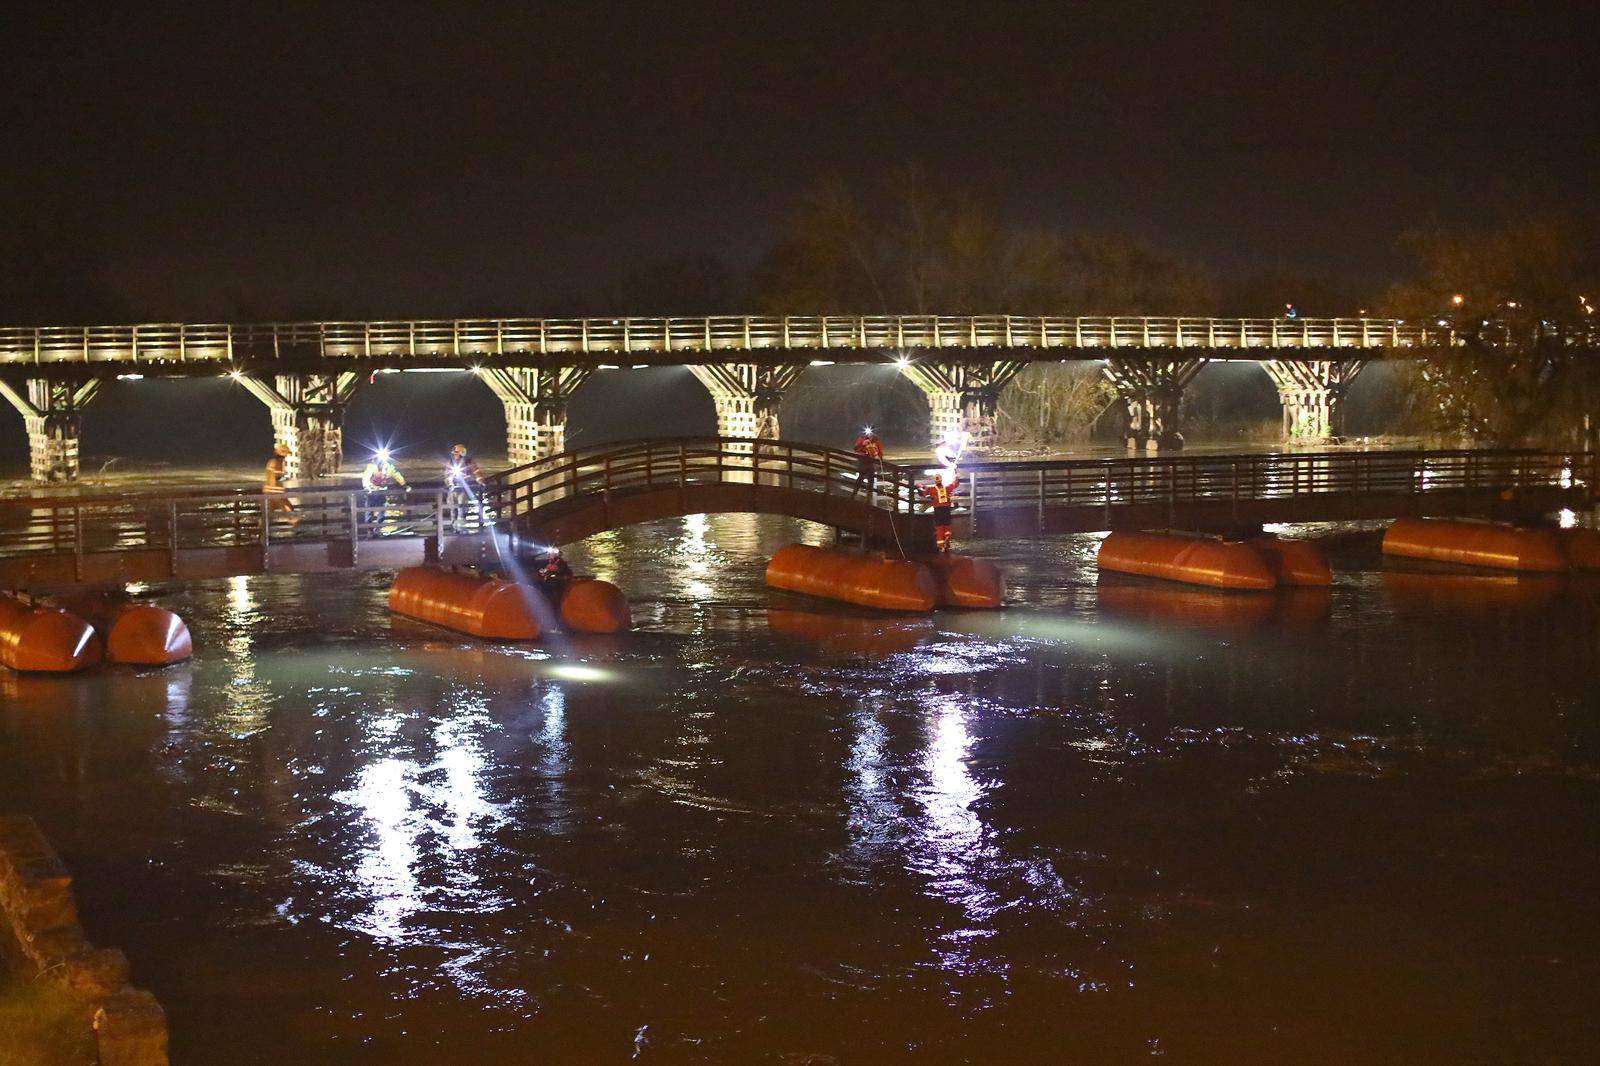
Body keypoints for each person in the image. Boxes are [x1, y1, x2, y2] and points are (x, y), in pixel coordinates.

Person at [360, 450, 408, 529]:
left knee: (383, 507)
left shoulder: (389, 467)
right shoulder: (372, 466)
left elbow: (396, 474)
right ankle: (369, 527)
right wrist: (366, 487)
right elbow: (366, 476)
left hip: (382, 490)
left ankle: (379, 526)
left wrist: (404, 484)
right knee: (369, 508)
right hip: (372, 490)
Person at [446, 444, 484, 532]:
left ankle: (461, 527)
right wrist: (450, 484)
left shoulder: (469, 462)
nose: (454, 455)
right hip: (453, 488)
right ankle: (454, 526)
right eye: (454, 453)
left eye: (456, 453)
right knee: (452, 507)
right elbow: (447, 475)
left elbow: (477, 473)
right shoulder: (451, 462)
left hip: (463, 488)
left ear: (462, 453)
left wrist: (481, 482)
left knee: (461, 507)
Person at [920, 471, 960, 552]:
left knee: (939, 527)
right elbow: (955, 485)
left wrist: (919, 487)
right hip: (946, 509)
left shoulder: (932, 489)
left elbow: (923, 493)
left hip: (938, 510)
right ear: (941, 480)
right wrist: (956, 477)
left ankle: (941, 546)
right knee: (947, 525)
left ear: (935, 481)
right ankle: (947, 538)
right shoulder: (946, 488)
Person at [263, 443, 299, 526]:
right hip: (275, 492)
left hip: (271, 492)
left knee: (268, 514)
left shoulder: (273, 462)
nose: (285, 457)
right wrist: (285, 478)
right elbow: (276, 478)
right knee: (288, 510)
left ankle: (261, 531)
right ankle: (297, 529)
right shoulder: (274, 463)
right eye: (285, 455)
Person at [852, 427, 884, 500]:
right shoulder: (861, 439)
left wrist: (880, 461)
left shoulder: (876, 441)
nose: (870, 434)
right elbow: (855, 449)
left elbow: (880, 452)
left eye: (871, 432)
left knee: (871, 479)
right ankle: (854, 494)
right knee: (861, 478)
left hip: (872, 463)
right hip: (863, 461)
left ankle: (868, 498)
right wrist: (862, 444)